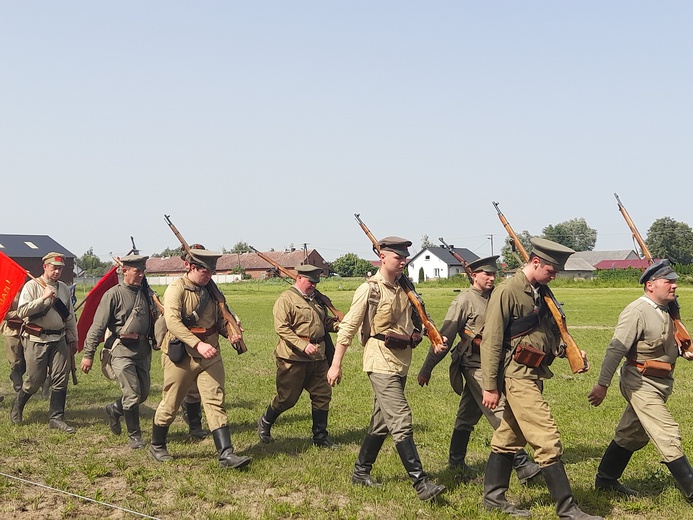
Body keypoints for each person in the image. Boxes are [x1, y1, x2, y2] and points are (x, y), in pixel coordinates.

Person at [481, 238, 601, 520]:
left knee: (509, 437)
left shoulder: (542, 293)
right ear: (535, 263)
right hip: (517, 376)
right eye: (551, 270)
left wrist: (568, 351)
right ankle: (567, 508)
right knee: (547, 438)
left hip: (534, 374)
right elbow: (491, 340)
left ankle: (494, 498)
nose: (555, 275)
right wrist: (489, 385)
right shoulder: (507, 291)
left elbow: (547, 335)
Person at [327, 236, 446, 501]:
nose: (403, 261)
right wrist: (336, 365)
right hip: (379, 360)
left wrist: (434, 334)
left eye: (405, 258)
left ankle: (360, 472)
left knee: (382, 421)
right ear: (382, 257)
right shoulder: (369, 290)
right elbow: (347, 328)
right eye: (398, 257)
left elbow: (420, 319)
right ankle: (421, 483)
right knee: (401, 418)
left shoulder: (407, 288)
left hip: (401, 360)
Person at [417, 256, 540, 483]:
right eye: (486, 274)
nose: (491, 278)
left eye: (494, 274)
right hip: (473, 364)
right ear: (473, 275)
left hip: (495, 363)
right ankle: (522, 464)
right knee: (499, 409)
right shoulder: (463, 301)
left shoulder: (497, 297)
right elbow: (444, 338)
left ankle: (455, 461)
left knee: (468, 414)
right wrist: (427, 369)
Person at [588, 259, 693, 503]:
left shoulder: (666, 310)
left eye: (675, 282)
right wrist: (602, 385)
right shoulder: (637, 311)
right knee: (666, 432)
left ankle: (606, 480)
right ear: (650, 285)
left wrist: (681, 350)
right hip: (639, 382)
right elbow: (615, 350)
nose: (674, 286)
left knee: (631, 434)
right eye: (669, 282)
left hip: (661, 382)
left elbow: (659, 344)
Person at [149, 247, 250, 469]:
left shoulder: (213, 291)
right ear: (191, 267)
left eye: (212, 272)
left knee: (215, 400)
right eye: (205, 271)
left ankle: (226, 454)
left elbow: (217, 321)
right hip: (182, 354)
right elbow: (173, 322)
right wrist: (197, 344)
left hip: (210, 354)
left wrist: (230, 331)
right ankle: (157, 445)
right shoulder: (176, 289)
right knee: (172, 401)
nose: (209, 276)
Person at [257, 264, 339, 447]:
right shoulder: (285, 299)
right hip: (293, 357)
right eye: (310, 282)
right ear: (299, 278)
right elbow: (282, 328)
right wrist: (303, 345)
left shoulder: (316, 300)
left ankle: (320, 436)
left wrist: (340, 325)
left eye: (316, 282)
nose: (314, 286)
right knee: (287, 399)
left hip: (318, 357)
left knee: (322, 394)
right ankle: (265, 421)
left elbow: (324, 323)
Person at [81, 254, 156, 449]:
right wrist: (88, 355)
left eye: (143, 271)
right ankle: (135, 436)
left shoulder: (147, 293)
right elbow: (97, 326)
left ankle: (114, 409)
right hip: (120, 351)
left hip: (142, 350)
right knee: (132, 394)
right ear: (125, 271)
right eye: (137, 271)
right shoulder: (113, 294)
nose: (140, 274)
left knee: (143, 394)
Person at [13, 252, 78, 433]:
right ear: (45, 267)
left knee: (60, 379)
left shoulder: (64, 288)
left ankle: (56, 418)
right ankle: (17, 405)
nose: (57, 272)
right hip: (37, 339)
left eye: (60, 268)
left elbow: (70, 316)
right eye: (53, 268)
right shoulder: (32, 286)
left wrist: (74, 338)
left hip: (59, 339)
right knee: (35, 380)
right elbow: (22, 312)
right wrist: (43, 298)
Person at [1, 292, 25, 394]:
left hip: (26, 330)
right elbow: (4, 313)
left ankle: (15, 375)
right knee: (15, 360)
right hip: (11, 330)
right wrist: (22, 312)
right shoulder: (7, 292)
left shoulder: (26, 290)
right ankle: (18, 386)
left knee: (27, 360)